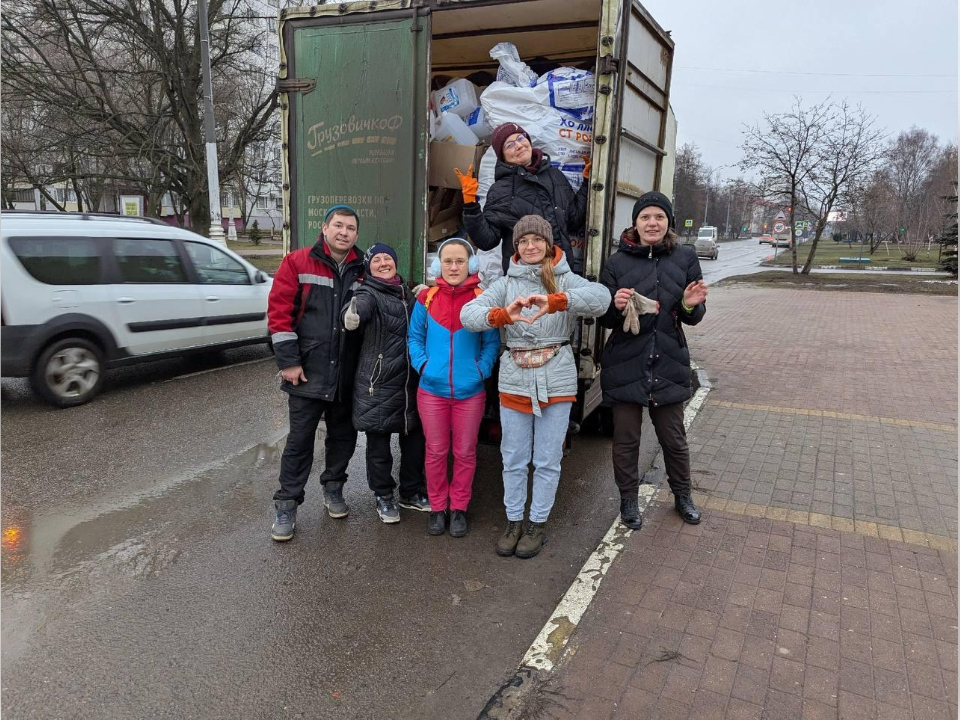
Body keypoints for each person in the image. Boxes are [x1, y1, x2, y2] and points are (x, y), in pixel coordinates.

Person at [461, 216, 610, 558]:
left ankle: (537, 523)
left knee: (547, 459)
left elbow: (601, 298)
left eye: (536, 240)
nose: (530, 246)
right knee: (512, 457)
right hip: (515, 376)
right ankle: (513, 521)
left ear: (547, 243)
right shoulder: (503, 284)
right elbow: (468, 315)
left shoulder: (564, 277)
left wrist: (559, 301)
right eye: (524, 241)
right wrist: (501, 315)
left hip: (556, 378)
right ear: (516, 247)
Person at [598, 192, 708, 530]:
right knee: (626, 439)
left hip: (669, 360)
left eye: (659, 217)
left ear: (668, 223)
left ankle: (682, 496)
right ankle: (628, 500)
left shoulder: (686, 257)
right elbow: (604, 319)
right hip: (625, 361)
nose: (652, 223)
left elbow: (694, 316)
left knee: (673, 438)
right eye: (645, 217)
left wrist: (689, 305)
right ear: (635, 222)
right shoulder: (616, 263)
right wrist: (614, 307)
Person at [268, 205, 365, 542]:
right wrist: (289, 362)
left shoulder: (362, 268)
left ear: (356, 234)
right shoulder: (296, 262)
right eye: (338, 225)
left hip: (346, 373)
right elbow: (280, 316)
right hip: (307, 371)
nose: (344, 232)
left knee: (343, 437)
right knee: (299, 442)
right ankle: (287, 504)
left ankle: (334, 488)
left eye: (350, 228)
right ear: (324, 228)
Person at [408, 238, 499, 538]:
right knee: (435, 452)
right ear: (439, 264)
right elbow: (414, 339)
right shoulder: (426, 299)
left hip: (469, 393)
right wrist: (423, 366)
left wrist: (480, 371)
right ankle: (437, 508)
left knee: (464, 452)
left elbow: (491, 343)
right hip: (432, 391)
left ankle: (458, 507)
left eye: (460, 261)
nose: (454, 266)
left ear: (471, 265)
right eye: (448, 261)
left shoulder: (481, 298)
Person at [342, 243, 430, 524]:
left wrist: (428, 297)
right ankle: (383, 496)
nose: (383, 263)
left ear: (396, 263)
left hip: (410, 382)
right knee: (379, 445)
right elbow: (358, 306)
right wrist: (350, 316)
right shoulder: (368, 292)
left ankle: (411, 492)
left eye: (387, 258)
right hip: (378, 381)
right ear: (369, 267)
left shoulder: (407, 293)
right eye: (376, 260)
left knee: (415, 441)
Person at [456, 122, 590, 275]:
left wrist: (587, 182)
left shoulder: (554, 176)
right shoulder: (501, 190)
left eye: (521, 138)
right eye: (510, 145)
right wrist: (470, 205)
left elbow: (574, 219)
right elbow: (486, 240)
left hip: (562, 273)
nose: (519, 145)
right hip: (524, 280)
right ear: (503, 157)